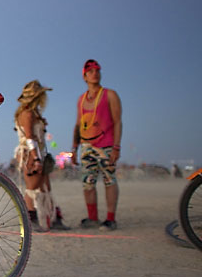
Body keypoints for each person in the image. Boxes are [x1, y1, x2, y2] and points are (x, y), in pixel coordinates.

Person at [72, 59, 123, 231]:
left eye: (97, 70)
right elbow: (78, 125)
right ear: (84, 76)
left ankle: (110, 218)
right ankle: (92, 217)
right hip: (87, 146)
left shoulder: (110, 95)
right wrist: (74, 148)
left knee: (109, 180)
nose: (95, 73)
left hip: (106, 145)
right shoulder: (81, 99)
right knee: (88, 183)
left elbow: (117, 122)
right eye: (91, 71)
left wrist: (116, 147)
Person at [14, 80, 68, 231]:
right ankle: (30, 219)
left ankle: (52, 218)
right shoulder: (27, 113)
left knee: (45, 188)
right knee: (33, 187)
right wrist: (36, 158)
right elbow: (30, 137)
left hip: (37, 152)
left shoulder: (33, 113)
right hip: (30, 154)